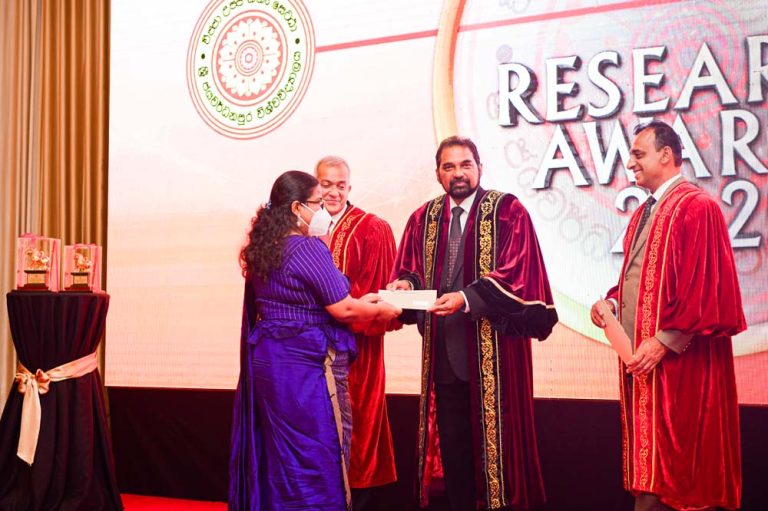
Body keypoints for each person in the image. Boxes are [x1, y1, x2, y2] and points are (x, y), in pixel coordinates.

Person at [388, 136, 558, 511]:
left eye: (466, 164)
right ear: (438, 174)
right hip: (444, 358)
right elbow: (412, 272)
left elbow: (518, 275)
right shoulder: (423, 218)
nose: (458, 173)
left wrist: (466, 298)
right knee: (453, 450)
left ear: (480, 167)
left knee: (499, 449)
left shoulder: (507, 211)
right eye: (449, 166)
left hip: (494, 357)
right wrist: (405, 286)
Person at [590, 120, 745, 511]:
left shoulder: (698, 207)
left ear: (666, 155)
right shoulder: (645, 212)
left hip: (682, 367)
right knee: (651, 472)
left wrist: (664, 341)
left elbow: (708, 289)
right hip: (644, 364)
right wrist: (611, 304)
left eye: (638, 154)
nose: (630, 163)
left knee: (680, 475)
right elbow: (642, 279)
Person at [229, 171, 401, 511]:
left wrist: (362, 302)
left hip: (271, 363)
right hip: (307, 367)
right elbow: (343, 309)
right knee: (320, 453)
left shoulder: (264, 248)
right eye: (317, 203)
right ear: (297, 207)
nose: (324, 210)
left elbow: (305, 302)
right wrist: (385, 310)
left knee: (281, 455)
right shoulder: (307, 247)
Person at [315, 156, 398, 510]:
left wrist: (338, 312)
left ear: (349, 187)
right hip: (310, 351)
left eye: (340, 185)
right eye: (326, 185)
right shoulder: (301, 228)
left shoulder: (371, 228)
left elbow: (377, 295)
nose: (333, 192)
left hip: (357, 352)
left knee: (358, 427)